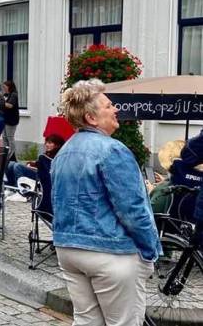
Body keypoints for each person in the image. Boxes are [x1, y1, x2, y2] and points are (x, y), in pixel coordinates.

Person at [51, 79, 161, 325]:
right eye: (109, 105)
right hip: (110, 252)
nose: (116, 109)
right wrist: (150, 250)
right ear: (91, 117)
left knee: (86, 321)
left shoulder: (64, 152)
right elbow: (132, 210)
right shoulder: (113, 150)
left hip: (69, 248)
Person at [4, 134, 65, 202]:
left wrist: (35, 166)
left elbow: (47, 167)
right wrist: (32, 164)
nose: (47, 145)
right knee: (11, 164)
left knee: (17, 167)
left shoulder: (58, 156)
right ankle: (11, 189)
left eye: (50, 143)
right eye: (46, 142)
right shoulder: (48, 153)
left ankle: (22, 192)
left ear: (57, 145)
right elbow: (40, 164)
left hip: (43, 177)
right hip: (39, 172)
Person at [2, 80, 20, 158]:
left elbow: (10, 105)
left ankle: (11, 155)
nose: (4, 88)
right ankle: (6, 153)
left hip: (11, 120)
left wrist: (1, 102)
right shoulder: (6, 95)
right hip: (6, 119)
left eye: (5, 87)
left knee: (10, 137)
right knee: (4, 137)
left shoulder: (13, 95)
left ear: (9, 87)